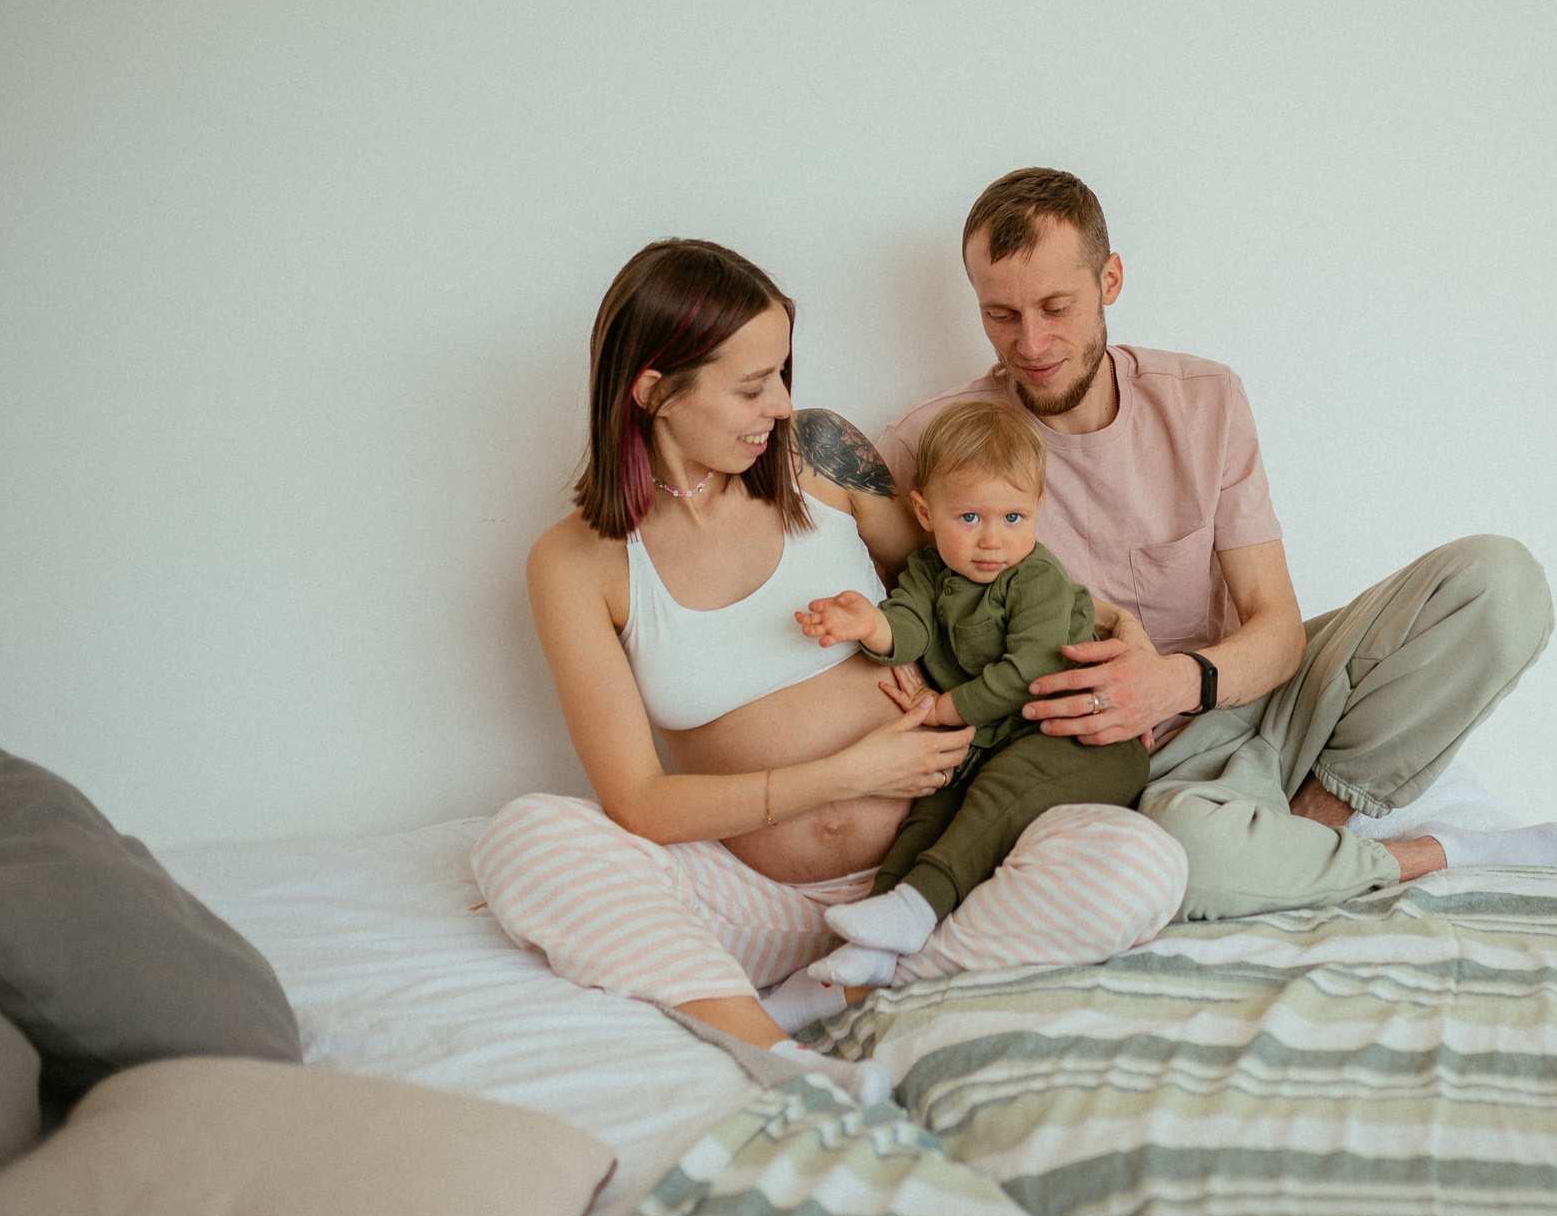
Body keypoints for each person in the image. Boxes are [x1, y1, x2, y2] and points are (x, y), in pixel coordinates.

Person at [472, 237, 1189, 1101]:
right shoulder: (576, 562)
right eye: (751, 387)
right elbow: (640, 802)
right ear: (653, 390)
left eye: (782, 373)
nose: (781, 404)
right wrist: (849, 774)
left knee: (1142, 863)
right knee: (526, 838)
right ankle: (778, 1047)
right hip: (757, 898)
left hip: (937, 859)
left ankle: (862, 975)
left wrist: (1117, 625)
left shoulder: (819, 459)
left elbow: (976, 575)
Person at [880, 170, 1557, 922]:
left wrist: (1172, 682)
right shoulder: (934, 443)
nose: (1030, 344)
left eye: (1055, 307)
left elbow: (1278, 629)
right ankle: (1432, 854)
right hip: (1131, 775)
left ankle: (1308, 826)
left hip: (1250, 701)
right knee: (1185, 864)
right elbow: (893, 611)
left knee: (1501, 583)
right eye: (1000, 315)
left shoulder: (1205, 398)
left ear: (1110, 280)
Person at [792, 401, 1150, 987]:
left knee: (1000, 791)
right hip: (990, 739)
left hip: (1081, 739)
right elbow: (910, 625)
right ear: (925, 513)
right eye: (968, 518)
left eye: (1013, 517)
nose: (992, 540)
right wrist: (870, 625)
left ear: (1038, 508)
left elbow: (1032, 667)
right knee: (930, 809)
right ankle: (869, 944)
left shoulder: (1036, 577)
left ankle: (918, 907)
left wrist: (945, 709)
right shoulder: (928, 573)